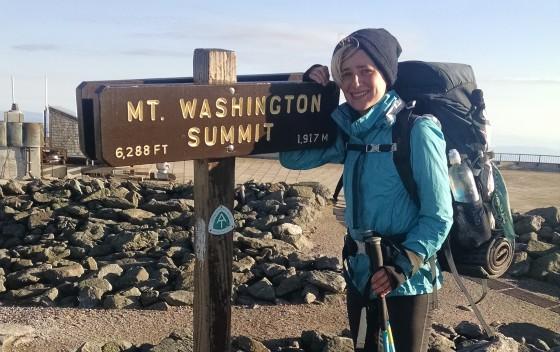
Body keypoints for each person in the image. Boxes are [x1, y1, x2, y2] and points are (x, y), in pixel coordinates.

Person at [279, 28, 453, 352]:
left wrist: (402, 266)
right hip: (360, 274)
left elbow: (439, 215)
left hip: (408, 282)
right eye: (345, 74)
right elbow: (292, 157)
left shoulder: (417, 131)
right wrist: (311, 97)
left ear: (385, 73)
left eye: (365, 71)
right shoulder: (352, 133)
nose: (354, 83)